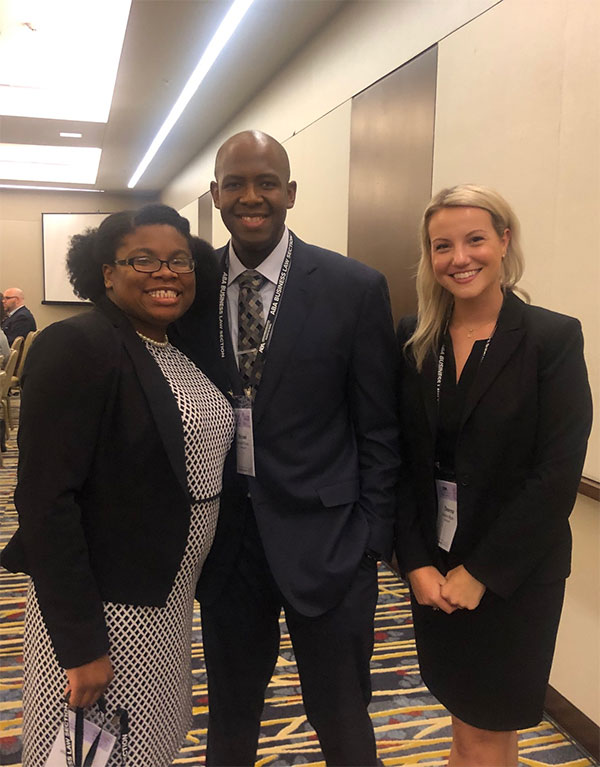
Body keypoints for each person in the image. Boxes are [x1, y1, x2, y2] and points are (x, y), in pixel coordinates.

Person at [171, 130, 400, 765]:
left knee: (343, 721)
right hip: (227, 549)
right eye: (236, 183)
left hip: (329, 544)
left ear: (290, 193)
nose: (252, 197)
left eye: (266, 183)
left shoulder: (353, 287)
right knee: (231, 719)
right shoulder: (188, 285)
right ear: (215, 195)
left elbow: (379, 426)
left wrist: (370, 540)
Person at [1, 204, 234, 766]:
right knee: (91, 751)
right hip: (108, 604)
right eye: (143, 259)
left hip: (168, 597)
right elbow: (44, 502)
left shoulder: (172, 347)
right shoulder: (80, 344)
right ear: (107, 272)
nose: (166, 273)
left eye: (180, 261)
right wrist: (81, 646)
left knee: (145, 741)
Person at [395, 184, 592, 767]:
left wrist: (481, 573)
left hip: (514, 574)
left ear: (504, 241)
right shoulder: (415, 340)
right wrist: (416, 562)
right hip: (436, 569)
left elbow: (557, 473)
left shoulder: (550, 338)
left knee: (485, 727)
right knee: (471, 726)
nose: (460, 258)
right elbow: (403, 462)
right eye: (442, 246)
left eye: (476, 239)